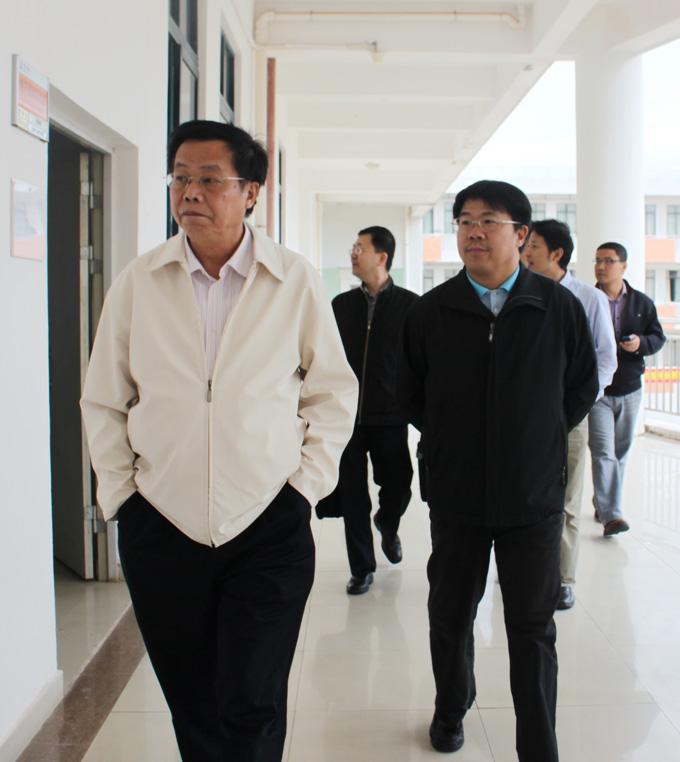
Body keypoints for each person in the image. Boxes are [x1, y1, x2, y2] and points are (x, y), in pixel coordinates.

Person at [80, 120, 358, 762]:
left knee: (252, 700)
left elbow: (332, 392)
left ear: (251, 192)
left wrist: (303, 490)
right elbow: (103, 398)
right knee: (194, 702)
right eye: (180, 178)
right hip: (161, 524)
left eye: (209, 179)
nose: (190, 193)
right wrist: (124, 497)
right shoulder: (139, 281)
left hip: (267, 523)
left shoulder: (291, 279)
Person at [397, 180, 598, 761]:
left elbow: (581, 384)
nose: (474, 232)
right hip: (456, 494)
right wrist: (454, 440)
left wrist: (534, 436)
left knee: (532, 628)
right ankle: (450, 707)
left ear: (521, 234)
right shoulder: (431, 311)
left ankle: (537, 743)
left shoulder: (556, 307)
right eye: (464, 221)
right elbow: (410, 392)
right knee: (450, 615)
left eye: (489, 221)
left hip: (532, 499)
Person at [320, 226, 418, 595]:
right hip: (346, 417)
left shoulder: (411, 307)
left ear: (382, 257)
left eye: (360, 247)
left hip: (390, 415)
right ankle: (361, 568)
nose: (353, 253)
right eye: (353, 247)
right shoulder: (341, 306)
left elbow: (420, 362)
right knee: (352, 495)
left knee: (399, 483)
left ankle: (388, 524)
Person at [525, 219, 617, 610]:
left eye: (533, 246)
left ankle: (563, 579)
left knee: (566, 499)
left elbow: (606, 359)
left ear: (557, 254)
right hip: (525, 416)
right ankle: (525, 569)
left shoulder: (587, 298)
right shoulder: (520, 292)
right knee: (524, 494)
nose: (525, 252)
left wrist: (575, 406)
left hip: (570, 417)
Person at [589, 241, 666, 536]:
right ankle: (612, 516)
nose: (601, 266)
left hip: (631, 388)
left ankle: (604, 502)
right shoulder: (587, 300)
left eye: (608, 260)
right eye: (598, 260)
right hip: (598, 392)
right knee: (603, 452)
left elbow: (657, 337)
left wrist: (640, 344)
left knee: (620, 452)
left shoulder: (641, 303)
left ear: (623, 266)